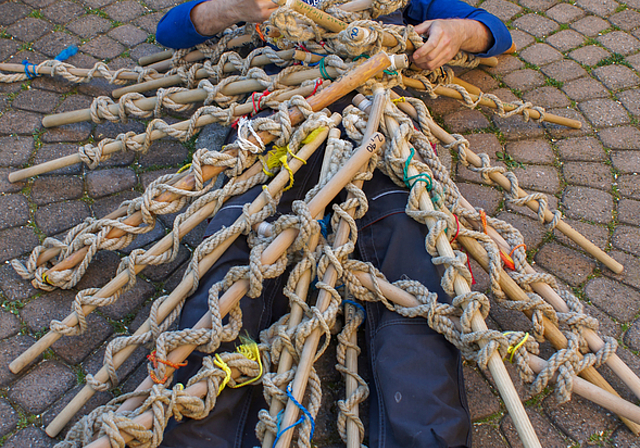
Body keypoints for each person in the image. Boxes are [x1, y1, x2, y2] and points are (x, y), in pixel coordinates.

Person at [153, 2, 513, 447]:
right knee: (235, 252)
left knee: (412, 253)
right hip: (281, 126)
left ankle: (424, 436)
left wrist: (458, 31)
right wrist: (233, 8)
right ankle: (194, 431)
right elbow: (172, 29)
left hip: (376, 129)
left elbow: (493, 31)